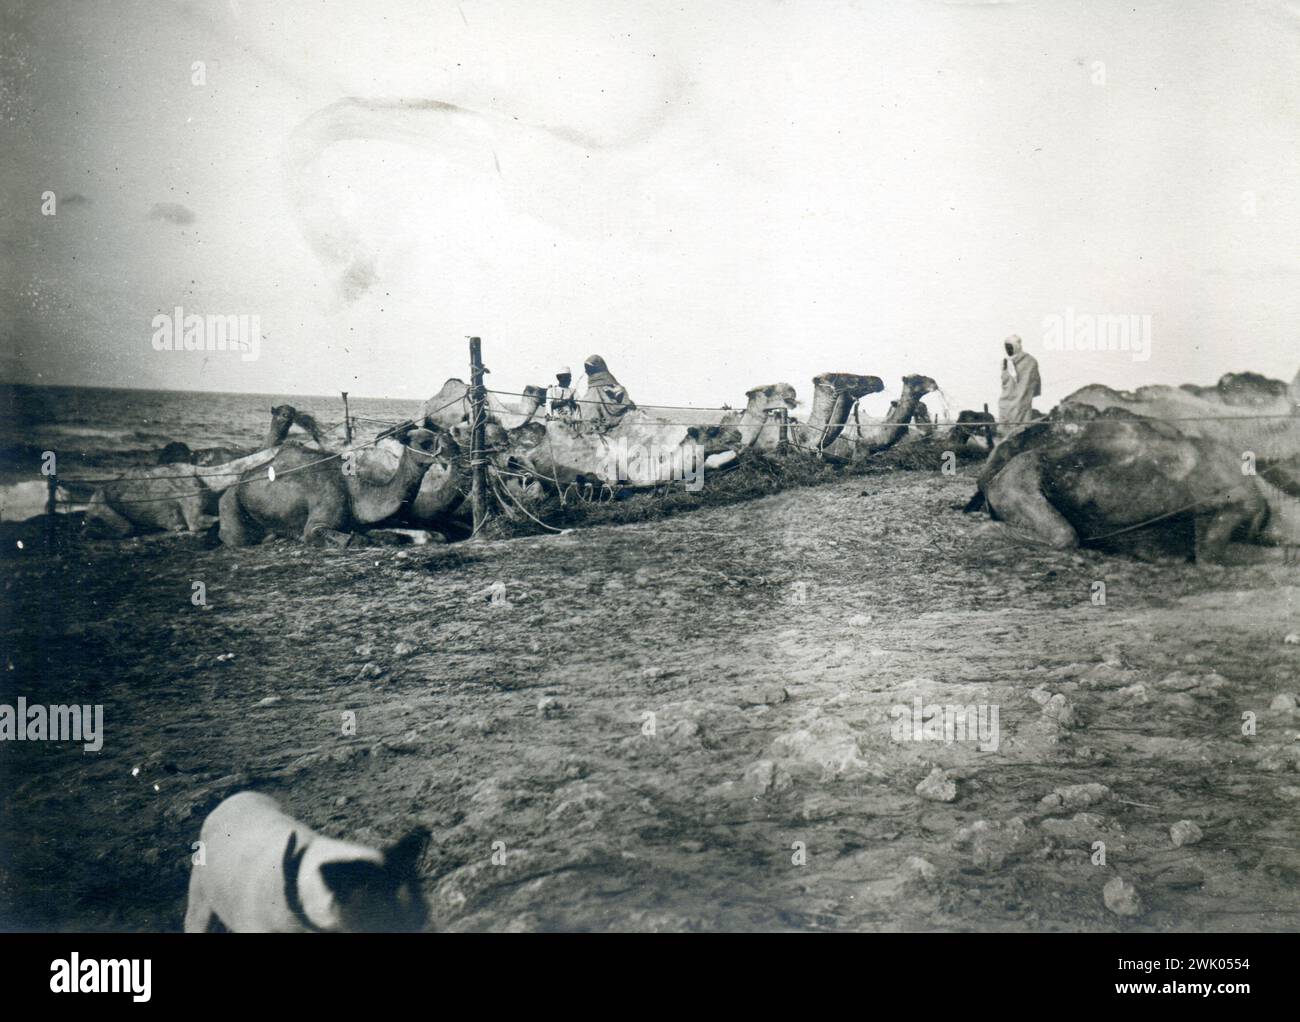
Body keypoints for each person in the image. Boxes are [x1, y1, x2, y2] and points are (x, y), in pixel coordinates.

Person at [996, 334, 1041, 443]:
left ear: (1016, 346)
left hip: (1021, 400)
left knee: (1019, 427)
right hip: (1006, 399)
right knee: (1004, 426)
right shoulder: (1005, 362)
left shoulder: (1030, 361)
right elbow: (1004, 382)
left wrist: (1024, 394)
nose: (1008, 349)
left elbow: (1035, 382)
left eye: (1010, 346)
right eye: (1006, 347)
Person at [580, 354, 635, 431]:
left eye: (589, 369)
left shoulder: (594, 390)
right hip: (622, 423)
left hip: (602, 427)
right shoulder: (615, 385)